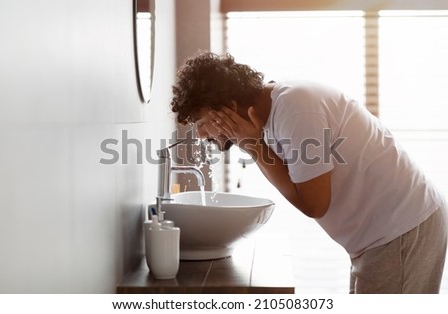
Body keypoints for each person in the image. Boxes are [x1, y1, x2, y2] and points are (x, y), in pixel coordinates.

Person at [170, 51, 447, 293]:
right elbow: (299, 188)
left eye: (202, 121)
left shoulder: (295, 109)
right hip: (382, 238)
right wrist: (255, 145)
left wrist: (255, 147)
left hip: (402, 229)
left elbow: (315, 204)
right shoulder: (276, 115)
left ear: (228, 108)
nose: (201, 133)